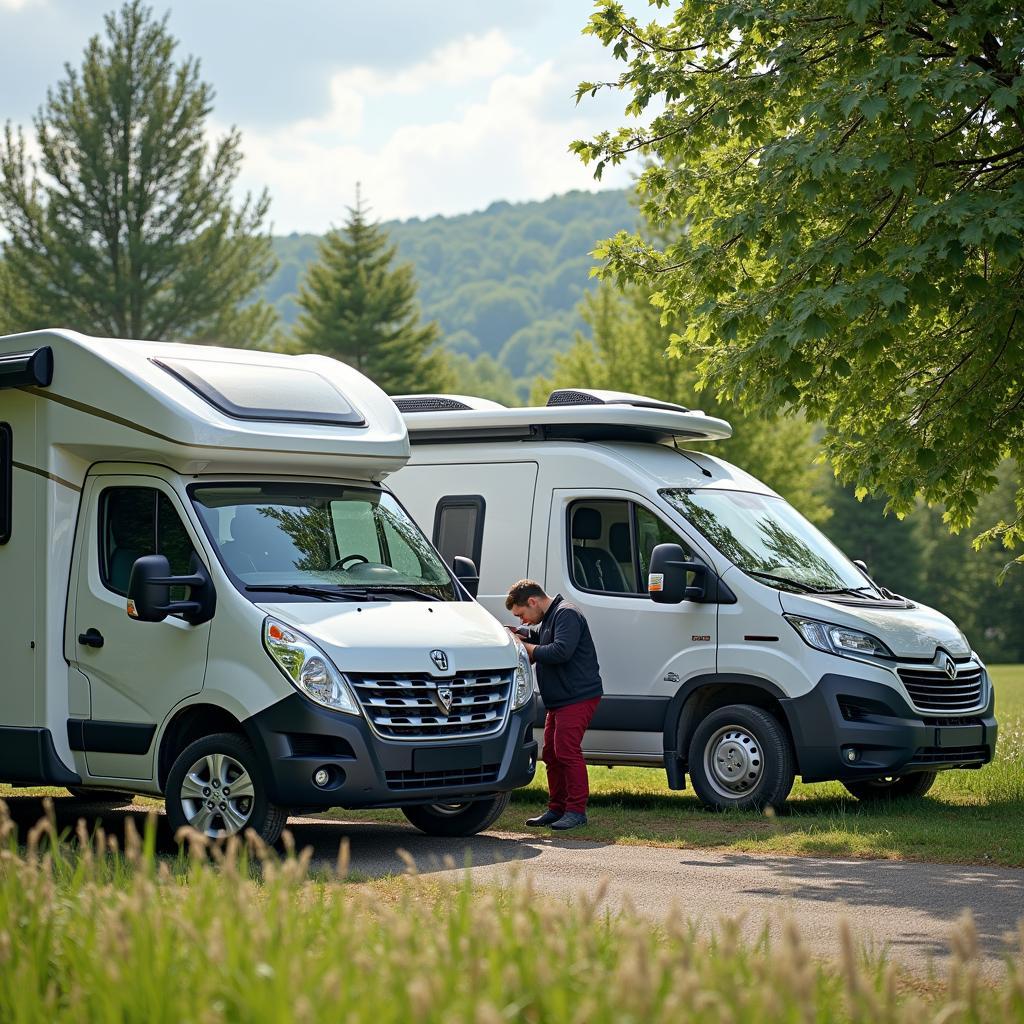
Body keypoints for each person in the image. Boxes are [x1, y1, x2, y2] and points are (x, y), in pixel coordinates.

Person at [505, 580, 602, 831]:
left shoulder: (566, 613)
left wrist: (526, 649)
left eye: (522, 614)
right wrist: (521, 634)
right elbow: (545, 637)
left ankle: (576, 811)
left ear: (533, 602)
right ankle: (556, 809)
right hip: (560, 700)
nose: (524, 620)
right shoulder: (551, 617)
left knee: (567, 751)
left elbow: (560, 651)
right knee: (551, 754)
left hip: (577, 697)